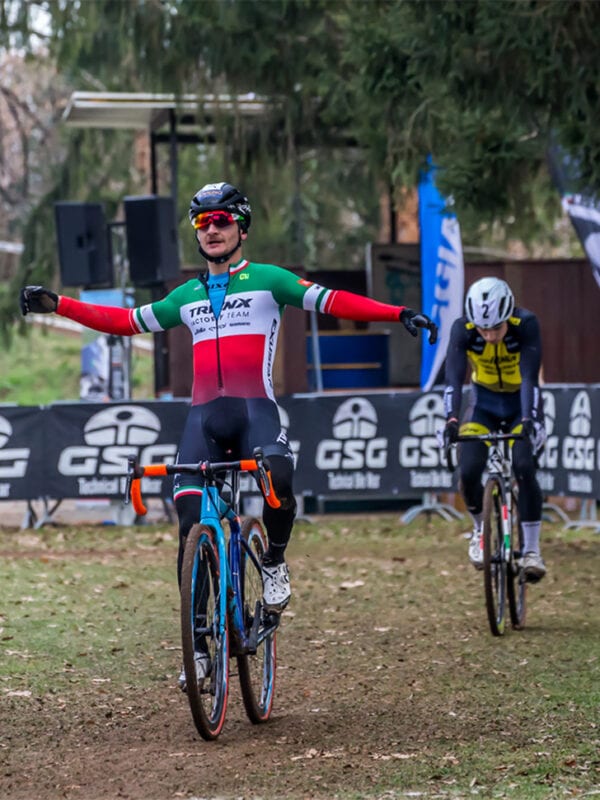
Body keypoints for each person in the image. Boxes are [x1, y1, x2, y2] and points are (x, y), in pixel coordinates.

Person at [21, 181, 438, 680]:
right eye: (202, 222)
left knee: (278, 476)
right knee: (189, 521)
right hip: (204, 420)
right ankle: (199, 648)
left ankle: (274, 561)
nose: (212, 229)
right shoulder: (186, 295)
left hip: (254, 412)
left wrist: (396, 313)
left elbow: (332, 302)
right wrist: (59, 304)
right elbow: (125, 321)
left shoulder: (269, 280)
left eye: (221, 220)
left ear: (242, 227)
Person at [442, 276, 547, 582]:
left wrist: (528, 420)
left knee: (524, 466)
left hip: (520, 404)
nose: (489, 336)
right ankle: (479, 530)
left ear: (508, 316)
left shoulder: (526, 324)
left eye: (496, 329)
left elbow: (530, 378)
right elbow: (453, 379)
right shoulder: (463, 329)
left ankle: (531, 550)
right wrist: (451, 420)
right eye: (483, 329)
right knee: (468, 471)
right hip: (483, 405)